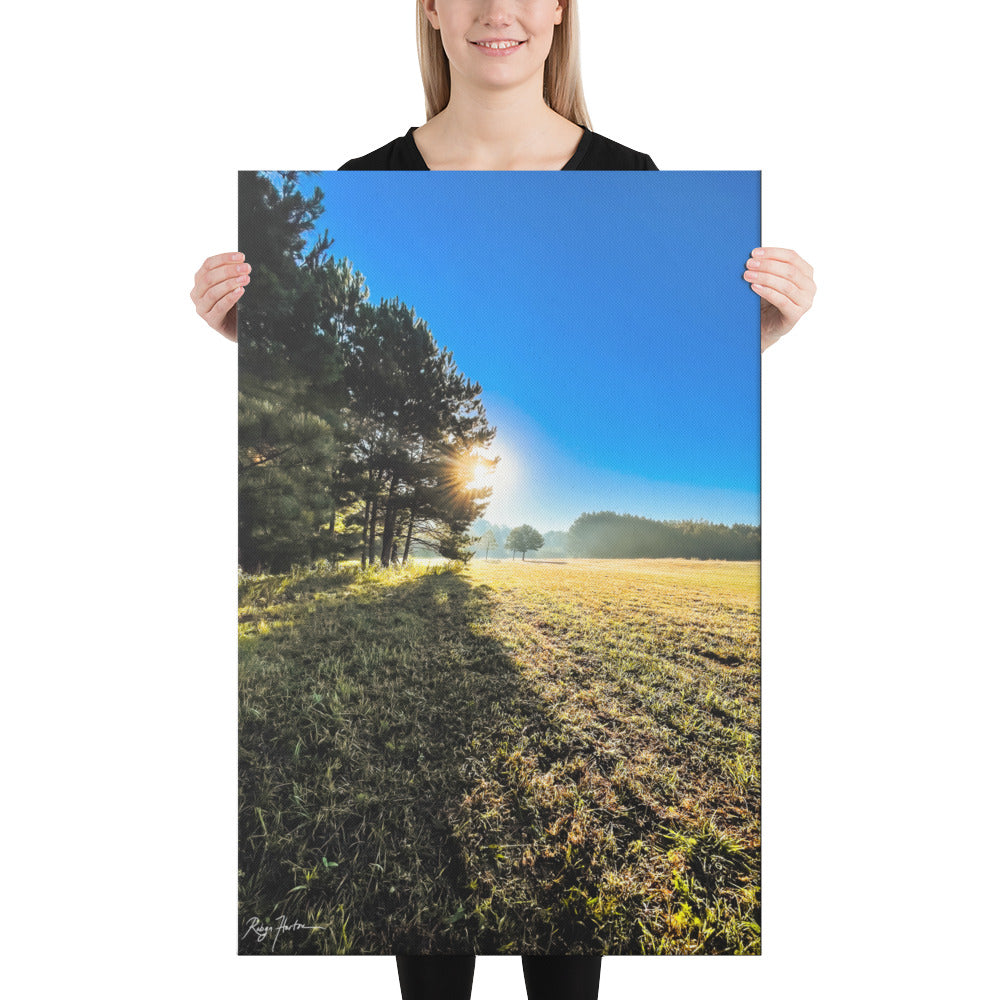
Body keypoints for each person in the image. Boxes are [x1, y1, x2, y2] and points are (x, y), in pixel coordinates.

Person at [193, 2, 815, 996]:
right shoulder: (364, 184)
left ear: (563, 10)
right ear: (429, 10)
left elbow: (659, 355)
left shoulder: (629, 178)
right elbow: (333, 380)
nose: (498, 8)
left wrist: (766, 333)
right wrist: (253, 346)